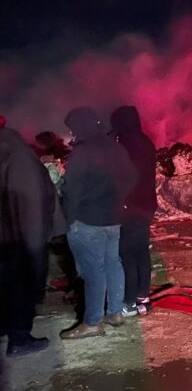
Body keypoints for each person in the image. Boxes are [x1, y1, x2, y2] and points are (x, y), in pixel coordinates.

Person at [60, 107, 136, 339]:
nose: (71, 133)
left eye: (72, 128)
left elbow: (71, 191)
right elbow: (131, 178)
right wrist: (116, 198)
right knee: (113, 263)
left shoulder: (81, 153)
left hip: (88, 221)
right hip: (113, 219)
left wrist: (69, 220)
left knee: (94, 271)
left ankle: (93, 321)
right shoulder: (116, 147)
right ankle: (115, 312)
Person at [0, 128, 55, 356]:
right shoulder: (23, 162)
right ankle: (20, 339)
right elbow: (35, 202)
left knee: (7, 286)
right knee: (23, 286)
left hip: (6, 238)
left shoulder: (7, 160)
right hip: (23, 239)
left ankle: (6, 327)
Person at [110, 106, 157, 316]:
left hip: (129, 207)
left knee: (127, 253)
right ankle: (143, 296)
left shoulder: (124, 146)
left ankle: (128, 300)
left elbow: (121, 178)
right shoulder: (146, 142)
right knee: (141, 251)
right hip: (146, 205)